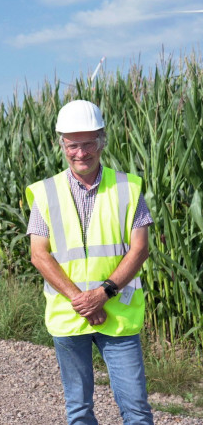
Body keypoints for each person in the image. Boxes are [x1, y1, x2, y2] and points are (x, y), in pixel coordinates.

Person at [26, 99, 154, 424]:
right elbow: (39, 254)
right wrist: (80, 300)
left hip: (119, 313)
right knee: (79, 410)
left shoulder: (128, 187)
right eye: (72, 145)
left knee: (136, 410)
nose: (80, 153)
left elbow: (139, 249)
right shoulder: (46, 193)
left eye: (88, 144)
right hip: (69, 316)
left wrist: (102, 294)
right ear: (61, 145)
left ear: (102, 141)